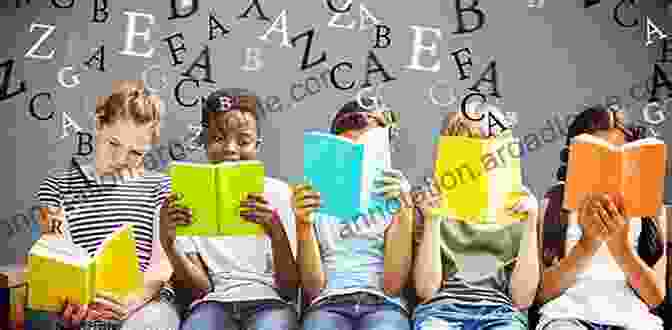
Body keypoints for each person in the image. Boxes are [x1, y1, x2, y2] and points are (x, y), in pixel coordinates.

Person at [37, 81, 181, 330]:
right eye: (114, 144)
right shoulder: (57, 187)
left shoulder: (162, 188)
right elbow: (55, 257)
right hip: (84, 307)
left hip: (147, 304)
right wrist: (72, 306)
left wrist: (131, 301)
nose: (121, 160)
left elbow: (162, 261)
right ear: (99, 126)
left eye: (136, 153)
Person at [163, 88, 300, 330]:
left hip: (270, 302)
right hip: (212, 304)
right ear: (205, 143)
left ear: (257, 145)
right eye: (218, 138)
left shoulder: (279, 193)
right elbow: (201, 290)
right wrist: (170, 244)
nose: (230, 149)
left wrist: (275, 229)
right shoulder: (187, 195)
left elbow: (288, 290)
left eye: (244, 141)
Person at [411, 103, 541, 330]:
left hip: (502, 314)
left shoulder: (522, 203)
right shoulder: (431, 200)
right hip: (440, 311)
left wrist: (530, 223)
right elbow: (425, 290)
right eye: (468, 142)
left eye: (490, 140)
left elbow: (523, 300)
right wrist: (432, 220)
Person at [536, 105, 667, 330]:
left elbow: (655, 297)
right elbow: (543, 294)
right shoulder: (555, 202)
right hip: (567, 315)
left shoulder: (650, 208)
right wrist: (588, 243)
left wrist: (621, 246)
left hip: (633, 318)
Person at [295, 99, 415, 330]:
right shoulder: (312, 197)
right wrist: (303, 224)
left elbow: (393, 285)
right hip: (327, 304)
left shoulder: (397, 192)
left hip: (384, 304)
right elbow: (313, 288)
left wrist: (403, 212)